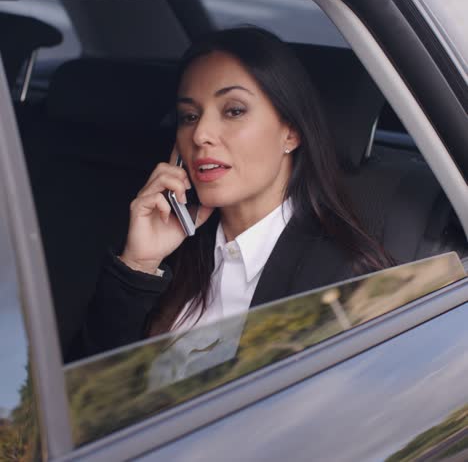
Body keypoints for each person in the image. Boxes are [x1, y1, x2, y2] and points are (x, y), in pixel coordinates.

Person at [73, 26, 393, 360]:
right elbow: (83, 397)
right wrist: (139, 264)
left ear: (291, 132)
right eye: (189, 116)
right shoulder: (171, 253)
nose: (200, 135)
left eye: (234, 110)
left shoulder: (344, 283)